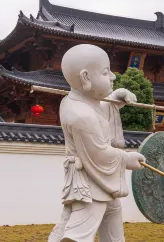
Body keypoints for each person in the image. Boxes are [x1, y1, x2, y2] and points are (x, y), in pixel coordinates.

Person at [48, 44, 146, 242]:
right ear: (86, 78)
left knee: (113, 228)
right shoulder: (81, 115)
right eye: (105, 72)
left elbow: (98, 108)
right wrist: (127, 159)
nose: (113, 77)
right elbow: (98, 153)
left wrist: (114, 99)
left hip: (99, 183)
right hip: (90, 183)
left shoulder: (77, 101)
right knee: (78, 234)